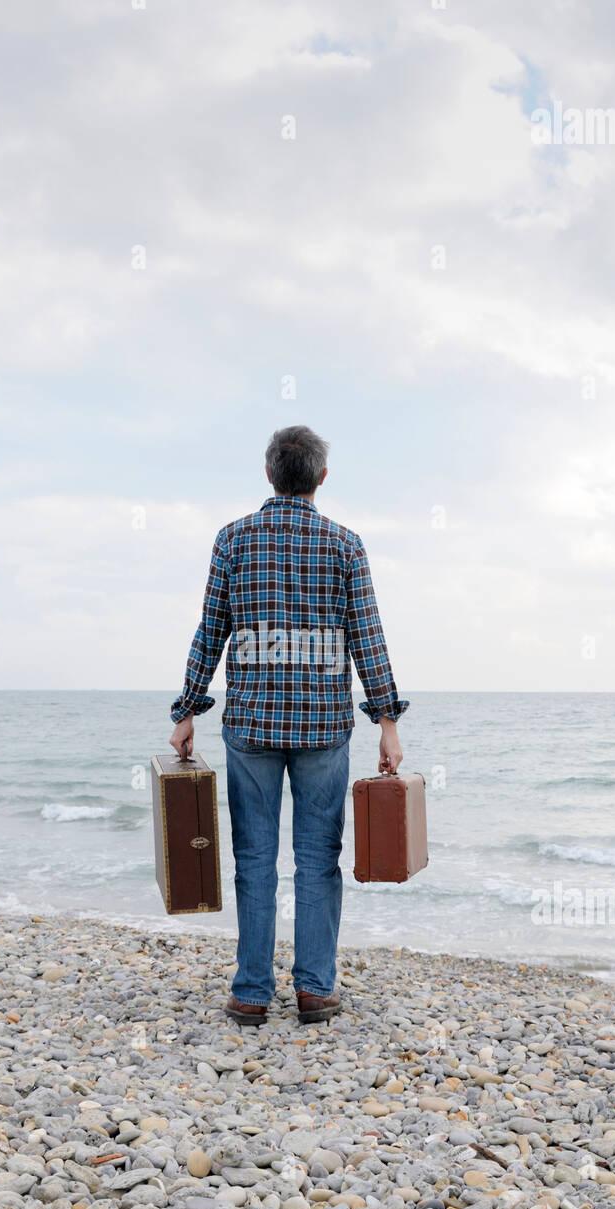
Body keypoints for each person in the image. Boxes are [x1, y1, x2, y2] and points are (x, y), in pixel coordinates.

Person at [170, 425, 408, 1025]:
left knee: (253, 858)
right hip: (324, 725)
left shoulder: (233, 539)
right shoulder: (345, 545)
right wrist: (386, 721)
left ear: (269, 474)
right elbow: (367, 639)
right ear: (321, 478)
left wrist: (188, 710)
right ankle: (314, 988)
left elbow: (210, 632)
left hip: (250, 721)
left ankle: (251, 992)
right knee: (317, 859)